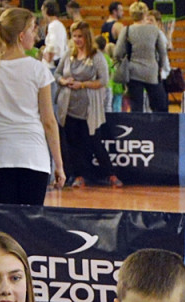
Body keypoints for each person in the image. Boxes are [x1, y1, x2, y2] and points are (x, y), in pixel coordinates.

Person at [0, 7, 65, 205]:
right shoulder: (38, 70)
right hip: (34, 155)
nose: (36, 34)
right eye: (33, 29)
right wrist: (59, 164)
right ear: (22, 35)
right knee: (31, 224)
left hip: (1, 155)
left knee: (8, 226)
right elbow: (49, 121)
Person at [55, 20, 123, 188]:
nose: (77, 40)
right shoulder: (68, 55)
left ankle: (111, 174)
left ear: (87, 37)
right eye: (74, 36)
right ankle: (79, 175)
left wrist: (83, 84)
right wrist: (64, 80)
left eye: (80, 36)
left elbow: (104, 81)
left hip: (89, 110)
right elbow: (57, 73)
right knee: (73, 145)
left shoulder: (97, 57)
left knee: (94, 142)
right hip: (69, 108)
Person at [113, 1, 168, 113]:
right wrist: (160, 67)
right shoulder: (154, 30)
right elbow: (162, 53)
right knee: (158, 105)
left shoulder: (127, 30)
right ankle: (158, 128)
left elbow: (117, 53)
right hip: (151, 72)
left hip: (133, 72)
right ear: (145, 14)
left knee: (136, 107)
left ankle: (137, 129)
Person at [40, 0, 66, 66]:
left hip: (52, 65)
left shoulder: (54, 26)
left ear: (46, 10)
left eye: (42, 10)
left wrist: (47, 57)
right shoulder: (58, 25)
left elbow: (53, 45)